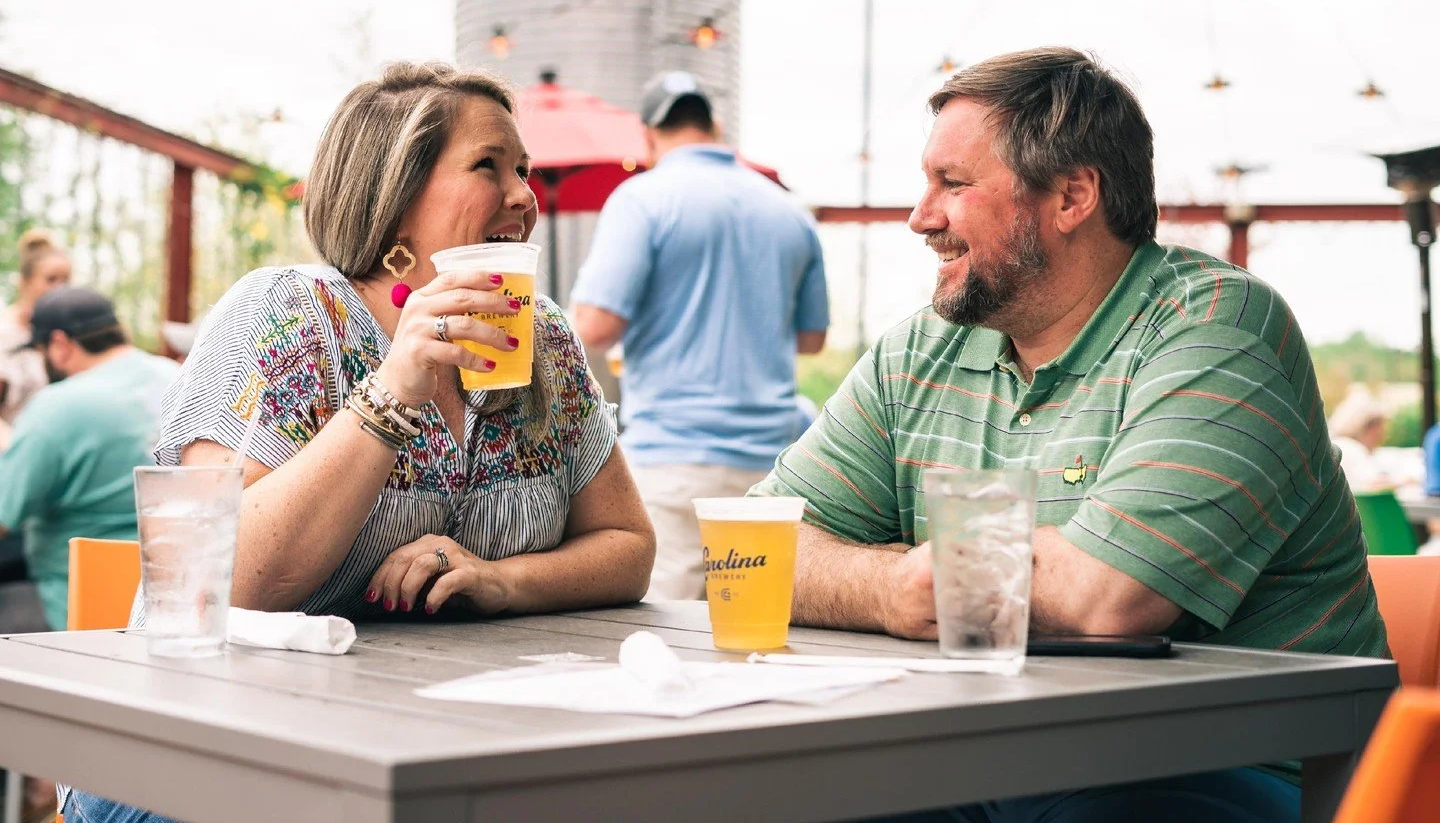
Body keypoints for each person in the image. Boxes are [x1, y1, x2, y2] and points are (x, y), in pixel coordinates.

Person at [752, 48, 1386, 822]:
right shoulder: (916, 352)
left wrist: (919, 575)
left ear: (1073, 195)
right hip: (989, 754)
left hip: (1230, 768)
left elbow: (1105, 602)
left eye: (953, 185)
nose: (921, 218)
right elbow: (750, 553)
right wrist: (896, 588)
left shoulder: (1218, 327)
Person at [63, 62, 656, 823]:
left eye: (524, 171)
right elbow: (215, 586)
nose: (523, 198)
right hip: (204, 756)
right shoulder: (287, 318)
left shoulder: (540, 340)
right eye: (489, 167)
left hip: (421, 741)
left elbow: (627, 545)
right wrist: (392, 391)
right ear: (399, 198)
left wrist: (500, 579)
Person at [571, 70, 830, 600]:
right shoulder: (789, 210)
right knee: (755, 629)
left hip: (675, 462)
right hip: (773, 464)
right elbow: (811, 339)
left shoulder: (642, 199)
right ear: (715, 126)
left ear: (648, 137)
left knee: (673, 647)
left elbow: (594, 327)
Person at [0, 286, 178, 633]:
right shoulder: (177, 377)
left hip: (74, 608)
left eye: (40, 353)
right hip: (172, 601)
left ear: (60, 345)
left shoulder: (58, 406)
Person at [0, 230, 71, 446]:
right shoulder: (6, 335)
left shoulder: (64, 337)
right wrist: (17, 451)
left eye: (66, 280)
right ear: (25, 282)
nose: (60, 288)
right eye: (51, 279)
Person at [1327, 389, 1394, 491]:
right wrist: (1406, 481)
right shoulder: (1352, 450)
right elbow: (1372, 485)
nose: (1382, 434)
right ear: (1369, 427)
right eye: (1380, 426)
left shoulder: (1337, 444)